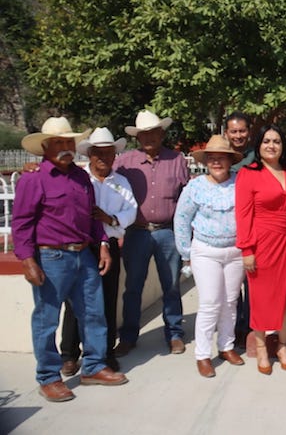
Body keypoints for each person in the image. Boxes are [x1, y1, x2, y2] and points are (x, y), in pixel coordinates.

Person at [12, 117, 128, 402]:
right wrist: (27, 260)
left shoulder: (80, 176)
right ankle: (49, 377)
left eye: (68, 142)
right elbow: (21, 223)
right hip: (51, 257)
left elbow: (92, 216)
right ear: (45, 147)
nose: (65, 147)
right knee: (47, 318)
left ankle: (93, 366)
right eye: (59, 143)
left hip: (84, 255)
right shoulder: (33, 178)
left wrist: (102, 245)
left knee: (93, 313)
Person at [59, 128, 138, 375]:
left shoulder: (121, 182)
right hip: (83, 245)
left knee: (107, 298)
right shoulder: (80, 179)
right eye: (99, 153)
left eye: (108, 153)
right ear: (90, 155)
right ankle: (70, 354)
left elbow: (131, 211)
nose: (104, 158)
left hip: (109, 246)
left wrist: (111, 219)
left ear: (115, 155)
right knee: (75, 302)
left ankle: (105, 352)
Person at [113, 110, 190, 357]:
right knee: (133, 286)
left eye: (153, 132)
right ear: (138, 137)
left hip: (167, 232)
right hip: (137, 232)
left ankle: (175, 332)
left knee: (171, 285)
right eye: (143, 134)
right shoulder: (124, 162)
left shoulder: (176, 160)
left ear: (162, 133)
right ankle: (128, 336)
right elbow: (103, 182)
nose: (149, 137)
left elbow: (187, 197)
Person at [174, 135, 245, 378]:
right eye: (212, 159)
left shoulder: (239, 183)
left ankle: (226, 346)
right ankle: (203, 355)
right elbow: (182, 220)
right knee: (210, 302)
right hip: (205, 251)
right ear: (206, 161)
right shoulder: (195, 187)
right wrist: (185, 253)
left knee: (230, 301)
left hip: (235, 251)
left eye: (221, 159)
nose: (217, 163)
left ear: (229, 161)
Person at [235, 124, 286, 375]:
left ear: (283, 146)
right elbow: (243, 215)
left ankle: (283, 346)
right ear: (259, 146)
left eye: (276, 141)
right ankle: (262, 347)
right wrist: (246, 250)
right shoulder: (248, 173)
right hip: (262, 242)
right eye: (266, 141)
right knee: (262, 297)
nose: (271, 145)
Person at [223, 111, 255, 347]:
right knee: (230, 286)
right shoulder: (222, 157)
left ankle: (251, 328)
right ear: (226, 133)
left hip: (253, 227)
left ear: (249, 132)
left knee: (251, 282)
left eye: (242, 130)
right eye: (233, 131)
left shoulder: (257, 157)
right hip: (227, 229)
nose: (238, 135)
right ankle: (233, 328)